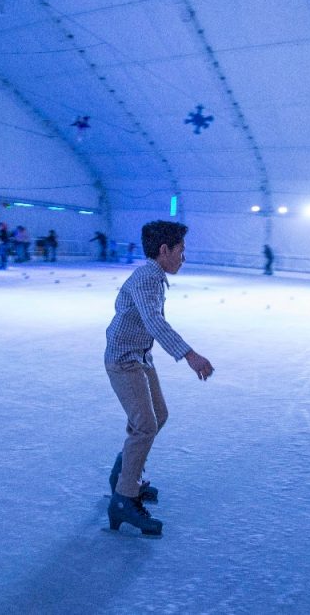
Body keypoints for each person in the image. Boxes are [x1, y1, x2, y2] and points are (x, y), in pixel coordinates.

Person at [105, 220, 214, 537]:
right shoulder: (146, 279)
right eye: (180, 251)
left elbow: (151, 323)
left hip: (140, 356)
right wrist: (190, 355)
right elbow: (154, 322)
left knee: (158, 416)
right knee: (145, 425)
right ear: (164, 250)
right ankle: (124, 498)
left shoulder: (154, 277)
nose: (183, 257)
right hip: (124, 360)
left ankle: (124, 475)